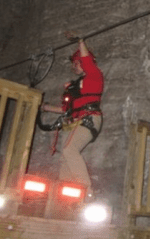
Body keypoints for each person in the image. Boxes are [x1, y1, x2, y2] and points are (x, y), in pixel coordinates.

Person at [41, 32, 104, 195]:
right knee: (65, 157)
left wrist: (80, 42)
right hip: (79, 119)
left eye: (76, 63)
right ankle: (65, 194)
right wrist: (46, 107)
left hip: (89, 117)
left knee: (70, 150)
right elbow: (66, 109)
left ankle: (86, 191)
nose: (73, 66)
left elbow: (87, 61)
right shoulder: (77, 86)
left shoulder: (94, 75)